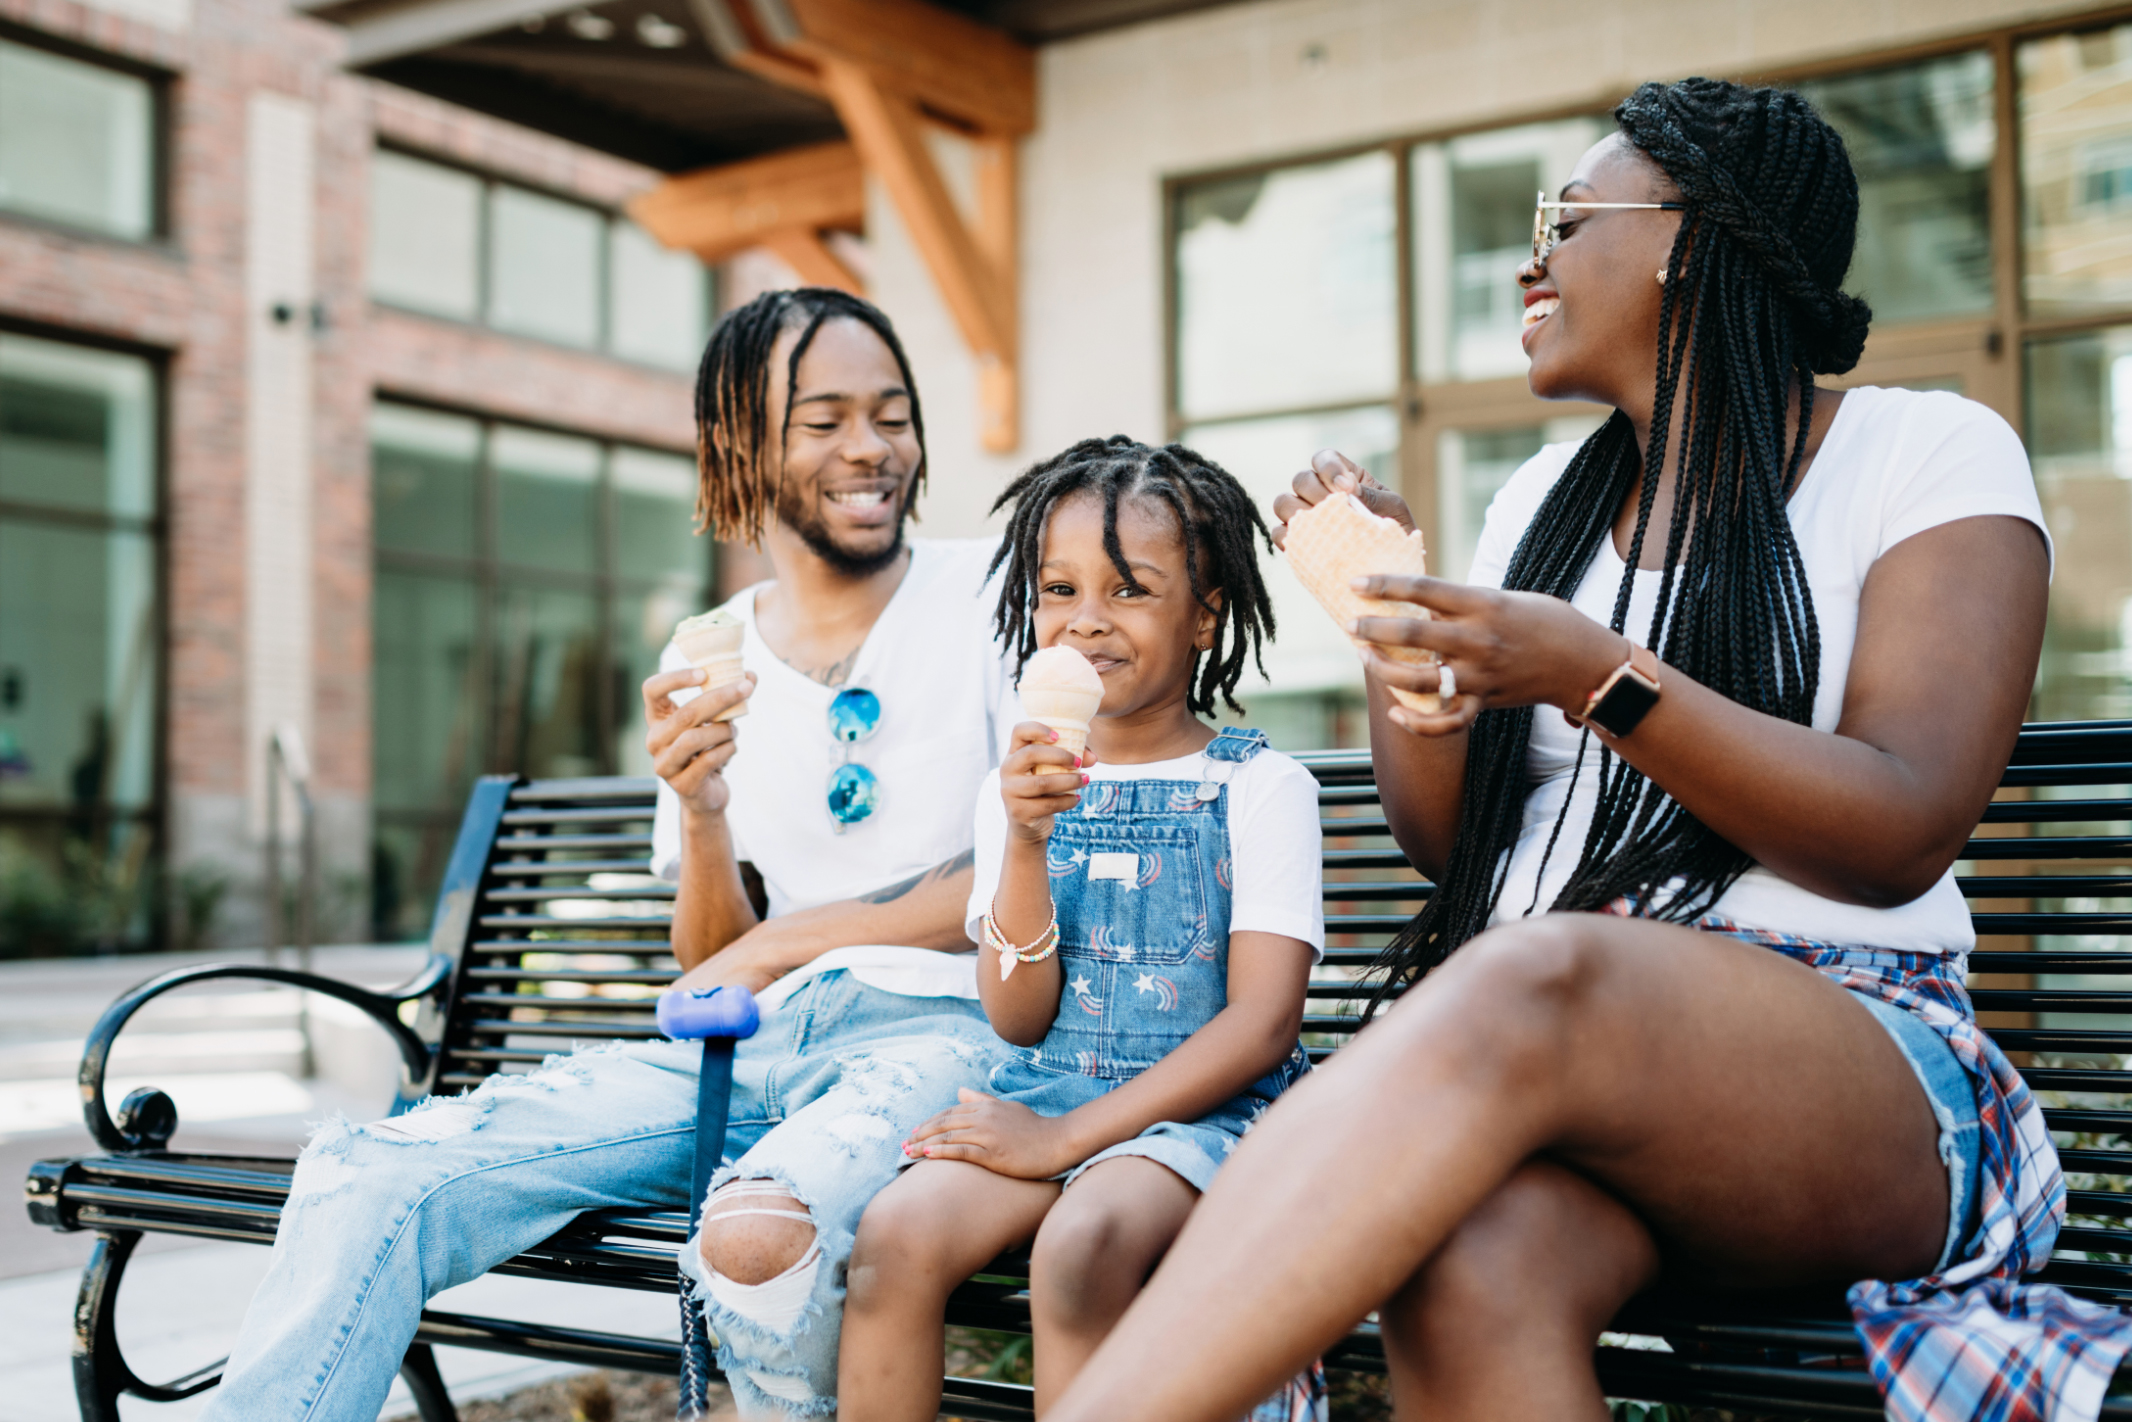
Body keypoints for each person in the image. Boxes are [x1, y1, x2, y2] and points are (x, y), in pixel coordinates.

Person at [1037, 80, 2115, 1422]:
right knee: (1470, 1271)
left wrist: (1596, 675)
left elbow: (1902, 826)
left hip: (1861, 1062)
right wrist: (1401, 641)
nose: (1532, 255)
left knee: (1543, 965)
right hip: (1546, 1062)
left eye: (1567, 215)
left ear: (1691, 235)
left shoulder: (1928, 453)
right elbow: (1453, 843)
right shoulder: (1542, 503)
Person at [202, 288, 1015, 1421]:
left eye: (891, 414)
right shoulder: (708, 646)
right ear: (739, 446)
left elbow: (1036, 870)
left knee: (761, 1238)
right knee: (363, 1176)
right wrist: (698, 809)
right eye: (823, 420)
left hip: (947, 1036)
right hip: (743, 1051)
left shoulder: (998, 595)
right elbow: (708, 967)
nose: (871, 449)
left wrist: (794, 937)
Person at [835, 436, 1324, 1421]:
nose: (1084, 623)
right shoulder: (1012, 789)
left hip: (1207, 1116)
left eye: (1129, 590)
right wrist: (1020, 842)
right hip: (1044, 1088)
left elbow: (1260, 1026)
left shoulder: (1261, 789)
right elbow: (1016, 1019)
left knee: (1079, 1244)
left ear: (1206, 613)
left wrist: (1066, 1139)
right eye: (1057, 591)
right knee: (892, 1236)